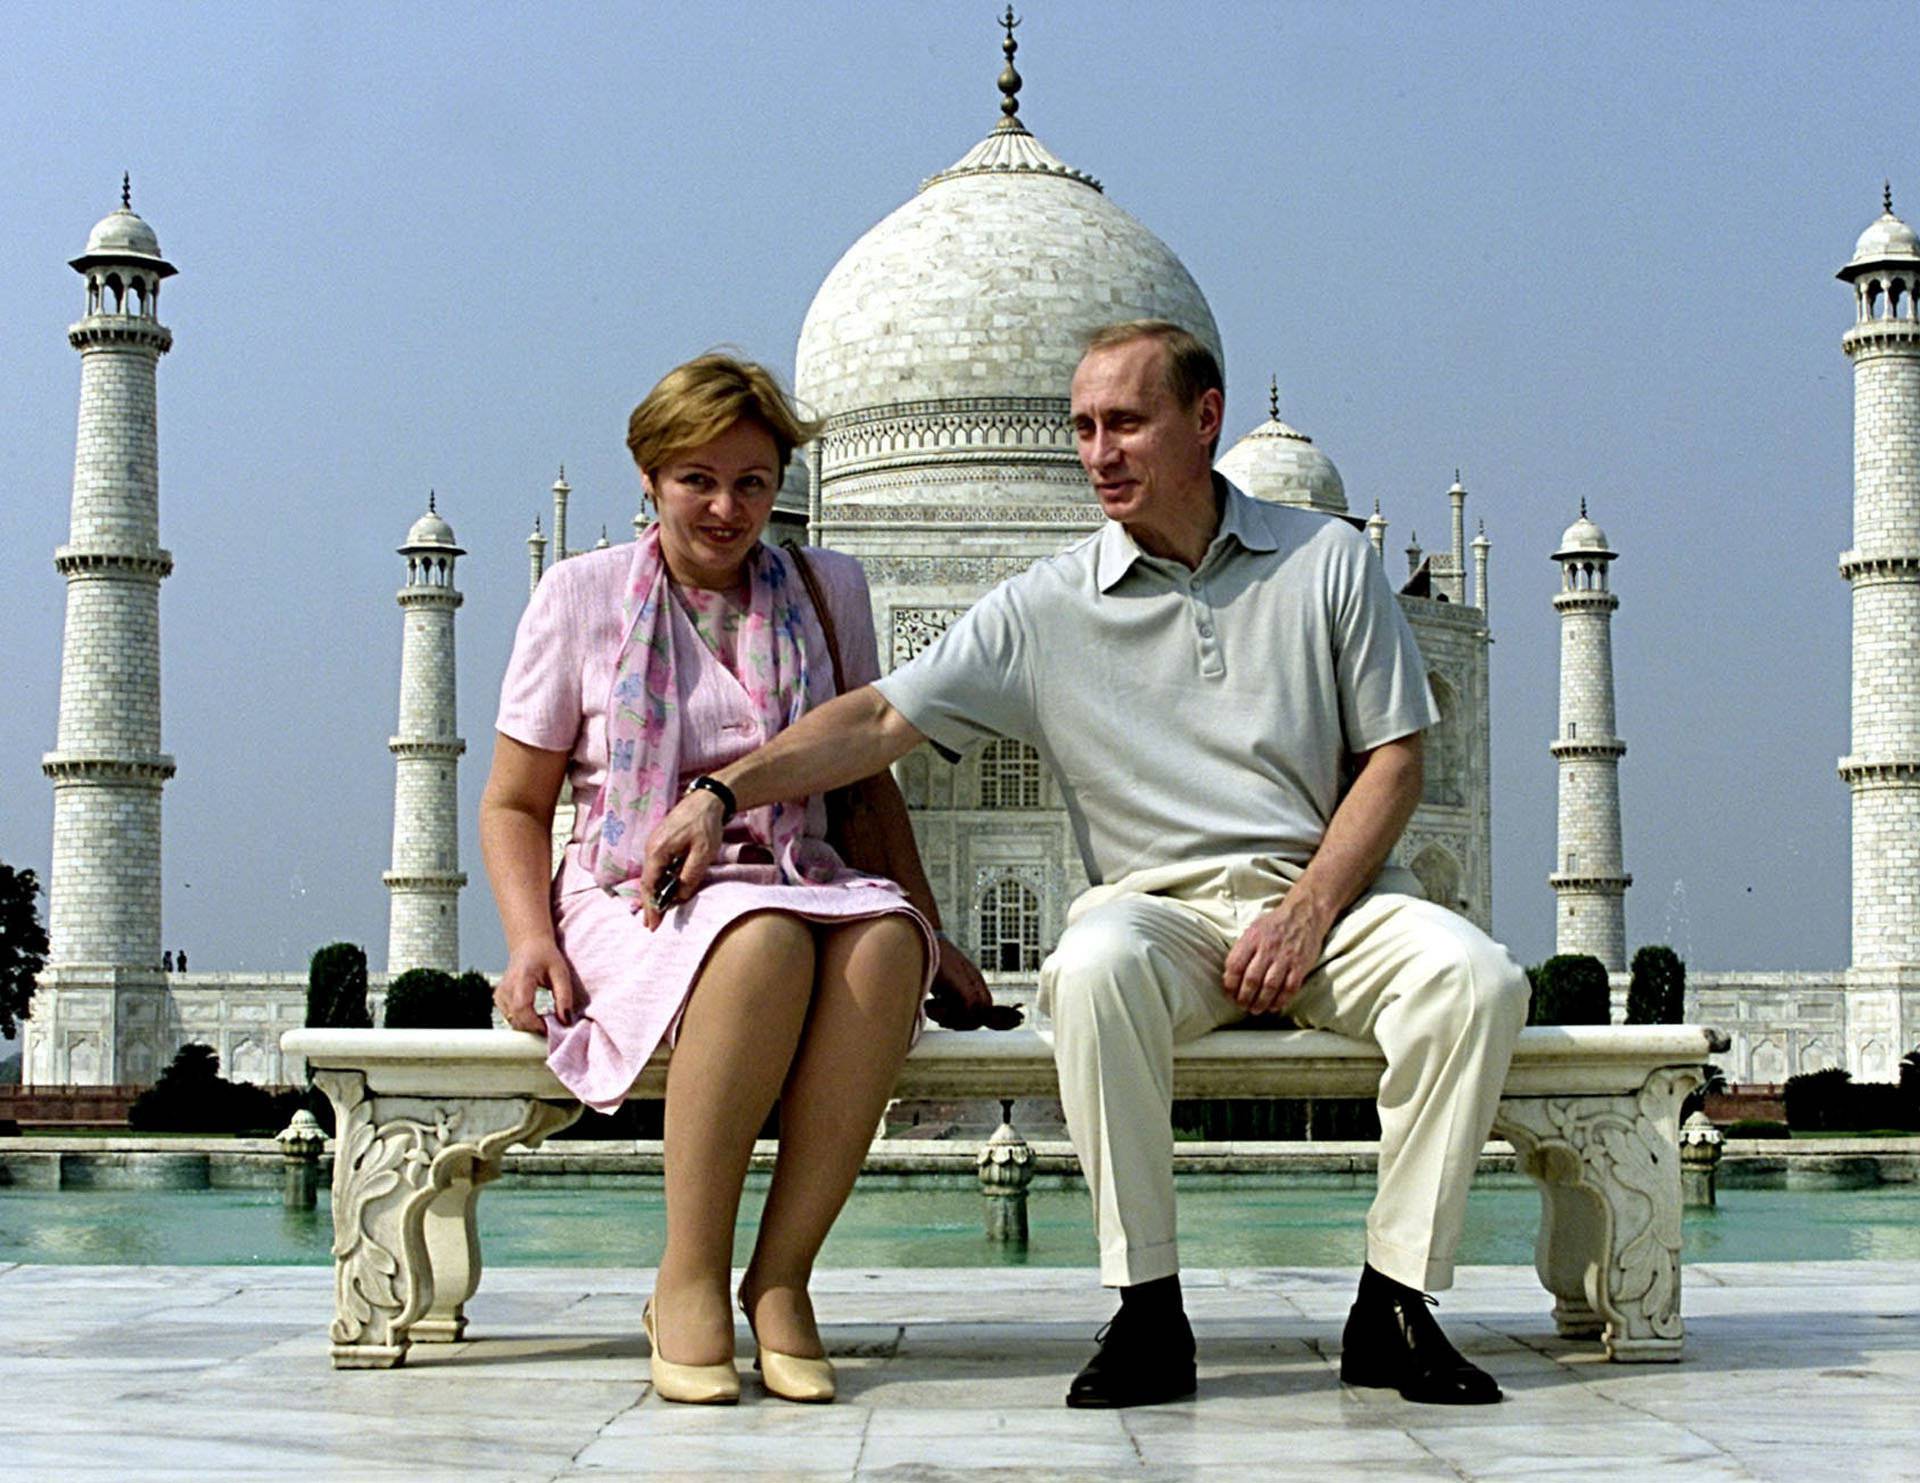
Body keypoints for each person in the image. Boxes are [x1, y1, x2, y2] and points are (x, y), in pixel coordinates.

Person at [641, 321, 1531, 1410]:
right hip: (1160, 918)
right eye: (1082, 427)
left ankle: (1394, 1298)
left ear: (1206, 421)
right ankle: (1147, 1306)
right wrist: (724, 790)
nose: (1099, 451)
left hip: (1329, 901)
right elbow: (874, 718)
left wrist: (1307, 908)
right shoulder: (1047, 604)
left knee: (1479, 980)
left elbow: (1395, 761)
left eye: (1126, 423)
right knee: (1093, 964)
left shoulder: (1326, 560)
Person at [480, 353, 989, 1407]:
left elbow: (863, 782)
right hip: (631, 892)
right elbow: (515, 804)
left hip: (800, 870)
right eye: (698, 480)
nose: (725, 507)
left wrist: (935, 932)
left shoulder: (826, 588)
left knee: (885, 943)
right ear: (651, 476)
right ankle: (689, 1276)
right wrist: (530, 938)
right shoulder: (577, 599)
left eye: (752, 482)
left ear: (783, 486)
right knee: (756, 935)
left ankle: (784, 1275)